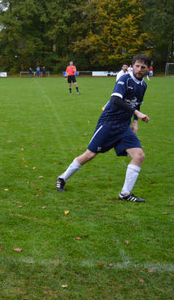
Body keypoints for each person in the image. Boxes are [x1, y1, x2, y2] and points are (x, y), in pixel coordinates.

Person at [56, 54, 152, 203]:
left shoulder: (143, 85)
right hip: (109, 123)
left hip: (124, 126)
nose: (139, 69)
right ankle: (62, 178)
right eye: (137, 66)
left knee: (139, 155)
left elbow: (136, 103)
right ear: (132, 66)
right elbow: (115, 99)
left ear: (147, 69)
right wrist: (137, 114)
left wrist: (135, 122)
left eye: (143, 67)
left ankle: (125, 194)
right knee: (90, 155)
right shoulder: (124, 79)